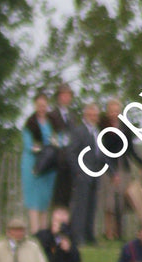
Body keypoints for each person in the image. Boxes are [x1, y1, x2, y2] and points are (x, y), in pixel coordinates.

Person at [99, 98, 142, 241]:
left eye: (116, 110)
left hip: (123, 167)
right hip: (108, 168)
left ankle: (118, 232)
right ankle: (108, 232)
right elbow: (102, 151)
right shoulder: (103, 128)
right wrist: (112, 172)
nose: (114, 113)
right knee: (109, 203)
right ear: (108, 112)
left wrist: (141, 163)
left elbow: (131, 150)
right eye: (111, 110)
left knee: (121, 201)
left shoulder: (125, 128)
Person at [22, 93, 64, 233]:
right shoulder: (30, 124)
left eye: (44, 106)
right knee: (34, 200)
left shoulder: (53, 123)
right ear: (35, 106)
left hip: (49, 166)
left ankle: (44, 232)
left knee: (45, 199)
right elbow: (29, 145)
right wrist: (42, 148)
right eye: (39, 106)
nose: (42, 108)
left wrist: (53, 146)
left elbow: (59, 140)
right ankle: (35, 232)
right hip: (33, 165)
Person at [68, 102, 103, 246]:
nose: (93, 117)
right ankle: (78, 236)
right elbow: (71, 152)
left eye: (95, 115)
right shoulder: (79, 131)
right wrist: (78, 171)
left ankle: (90, 235)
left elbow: (100, 153)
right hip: (83, 173)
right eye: (91, 115)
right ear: (85, 115)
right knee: (81, 206)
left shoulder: (97, 132)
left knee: (92, 206)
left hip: (95, 173)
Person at [47, 83, 76, 211]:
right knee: (56, 197)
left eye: (68, 95)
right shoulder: (52, 115)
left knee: (67, 196)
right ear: (59, 97)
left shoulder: (72, 116)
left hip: (69, 161)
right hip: (57, 160)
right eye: (63, 95)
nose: (66, 98)